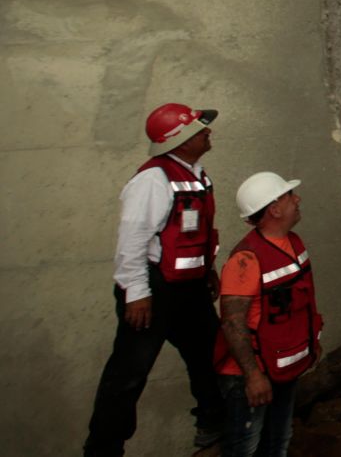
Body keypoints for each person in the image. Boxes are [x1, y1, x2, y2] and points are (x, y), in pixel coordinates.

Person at [85, 103, 225, 456]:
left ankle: (213, 425)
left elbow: (193, 233)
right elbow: (132, 239)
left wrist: (206, 269)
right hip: (155, 290)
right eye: (198, 129)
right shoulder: (153, 180)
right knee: (128, 374)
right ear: (178, 140)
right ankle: (103, 448)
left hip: (189, 289)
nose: (207, 132)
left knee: (211, 356)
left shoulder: (195, 174)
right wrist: (137, 293)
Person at [216, 172, 323, 457]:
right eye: (289, 196)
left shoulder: (294, 242)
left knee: (278, 441)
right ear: (274, 209)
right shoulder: (246, 259)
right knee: (245, 447)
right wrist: (253, 376)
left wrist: (310, 345)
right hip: (250, 374)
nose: (297, 199)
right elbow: (232, 321)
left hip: (281, 366)